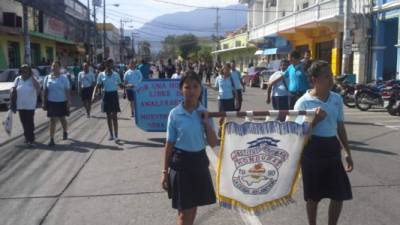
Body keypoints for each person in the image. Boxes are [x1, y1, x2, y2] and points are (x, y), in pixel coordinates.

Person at [294, 60, 353, 225]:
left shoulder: (336, 99)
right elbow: (298, 137)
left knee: (338, 194)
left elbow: (340, 126)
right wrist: (314, 122)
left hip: (332, 149)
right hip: (312, 151)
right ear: (314, 79)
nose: (331, 80)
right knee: (313, 196)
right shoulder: (303, 103)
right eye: (326, 76)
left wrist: (347, 152)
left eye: (331, 76)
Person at [161, 71, 218, 225]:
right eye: (187, 87)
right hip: (181, 165)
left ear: (201, 89)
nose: (191, 91)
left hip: (199, 163)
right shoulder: (175, 114)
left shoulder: (204, 113)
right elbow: (169, 145)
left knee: (192, 210)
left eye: (195, 86)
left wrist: (206, 122)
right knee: (183, 213)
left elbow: (213, 143)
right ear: (181, 90)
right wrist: (164, 172)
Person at [42, 60, 71, 146]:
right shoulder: (47, 78)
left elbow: (67, 90)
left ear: (60, 68)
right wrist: (44, 102)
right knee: (52, 120)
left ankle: (65, 132)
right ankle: (51, 139)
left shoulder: (64, 78)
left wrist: (68, 102)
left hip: (62, 102)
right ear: (51, 67)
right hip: (51, 102)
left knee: (62, 118)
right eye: (53, 66)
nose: (54, 68)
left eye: (56, 66)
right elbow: (45, 90)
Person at [92, 59, 122, 141]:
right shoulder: (101, 75)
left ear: (112, 65)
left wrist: (127, 86)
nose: (109, 66)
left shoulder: (116, 74)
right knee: (108, 116)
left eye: (110, 64)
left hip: (114, 95)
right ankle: (111, 135)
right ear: (105, 65)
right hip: (106, 96)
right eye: (107, 64)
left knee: (114, 116)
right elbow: (97, 86)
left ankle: (116, 135)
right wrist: (93, 95)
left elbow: (120, 85)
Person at [13, 64, 41, 146]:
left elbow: (38, 88)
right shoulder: (17, 79)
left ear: (29, 71)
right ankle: (26, 137)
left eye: (26, 70)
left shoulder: (32, 79)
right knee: (23, 122)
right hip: (20, 105)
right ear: (20, 71)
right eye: (22, 70)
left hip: (30, 105)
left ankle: (31, 139)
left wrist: (32, 77)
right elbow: (14, 88)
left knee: (29, 122)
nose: (24, 71)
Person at [214, 63, 238, 137]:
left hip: (230, 100)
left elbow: (235, 90)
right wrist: (210, 87)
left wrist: (237, 101)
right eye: (225, 69)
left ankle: (229, 132)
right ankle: (220, 129)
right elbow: (216, 88)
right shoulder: (218, 78)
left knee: (230, 117)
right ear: (223, 69)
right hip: (221, 100)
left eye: (228, 69)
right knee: (221, 117)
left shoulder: (231, 78)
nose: (226, 70)